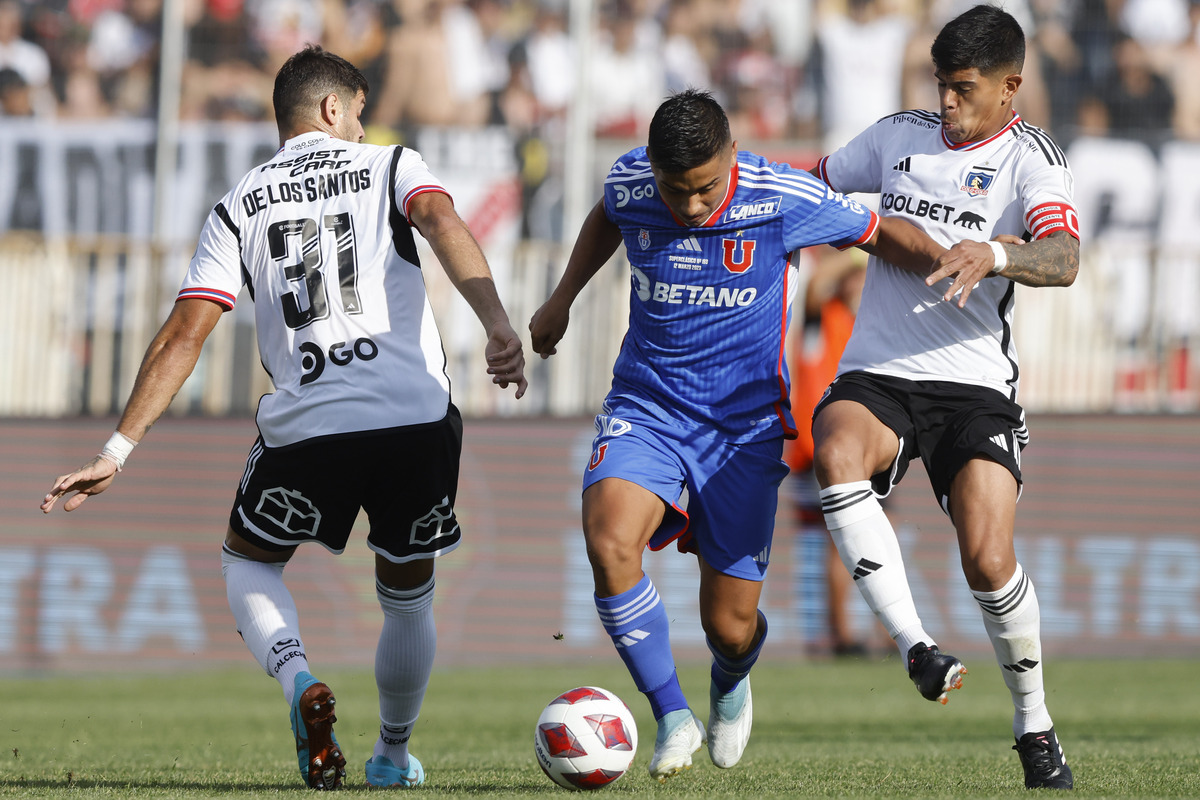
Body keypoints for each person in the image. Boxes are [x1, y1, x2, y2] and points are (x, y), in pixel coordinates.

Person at [40, 45, 527, 790]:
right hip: (415, 418)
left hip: (311, 423)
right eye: (359, 113)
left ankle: (300, 681)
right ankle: (392, 756)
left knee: (248, 559)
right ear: (333, 110)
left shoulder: (239, 203)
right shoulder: (393, 166)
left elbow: (185, 332)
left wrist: (117, 448)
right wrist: (495, 320)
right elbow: (437, 218)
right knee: (406, 592)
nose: (364, 129)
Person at [529, 88, 942, 781]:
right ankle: (671, 714)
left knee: (729, 625)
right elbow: (609, 215)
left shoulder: (783, 194)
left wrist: (957, 262)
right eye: (675, 190)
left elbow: (875, 233)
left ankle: (732, 678)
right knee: (608, 539)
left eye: (705, 189)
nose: (690, 206)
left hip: (743, 430)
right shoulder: (632, 181)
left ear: (732, 157)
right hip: (647, 404)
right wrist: (561, 298)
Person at [808, 4, 1078, 790]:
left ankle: (1034, 723)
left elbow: (1062, 258)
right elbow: (814, 185)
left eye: (964, 89)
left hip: (973, 384)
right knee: (835, 450)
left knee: (988, 561)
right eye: (941, 85)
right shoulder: (897, 135)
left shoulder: (1034, 158)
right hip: (880, 371)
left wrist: (993, 251)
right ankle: (916, 648)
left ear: (1010, 87)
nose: (948, 103)